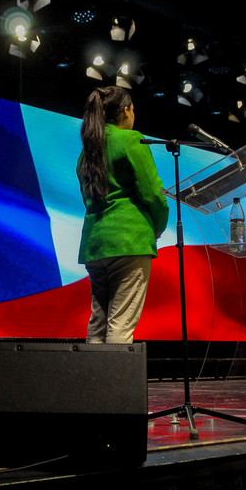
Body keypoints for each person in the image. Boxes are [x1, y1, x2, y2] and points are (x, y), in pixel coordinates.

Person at [77, 86, 169, 344]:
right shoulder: (130, 139)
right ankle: (114, 374)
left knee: (98, 323)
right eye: (133, 110)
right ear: (126, 111)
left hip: (95, 245)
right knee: (120, 324)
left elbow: (87, 198)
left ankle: (92, 373)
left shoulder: (86, 151)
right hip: (129, 240)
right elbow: (153, 193)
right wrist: (158, 226)